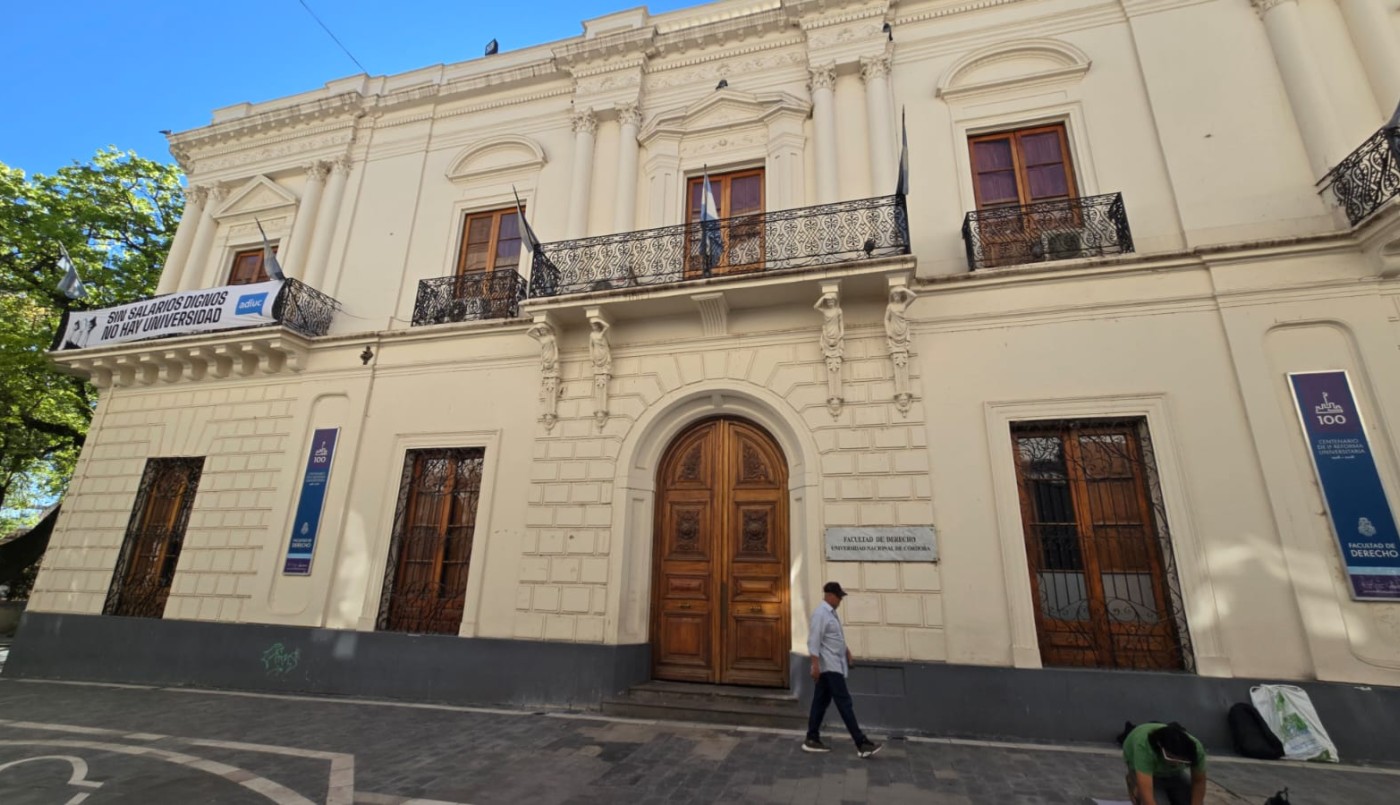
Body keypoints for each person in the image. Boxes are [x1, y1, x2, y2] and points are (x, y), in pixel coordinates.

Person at [803, 581, 882, 758]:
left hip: (832, 665)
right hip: (829, 667)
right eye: (838, 597)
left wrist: (846, 651)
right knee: (844, 703)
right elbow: (814, 640)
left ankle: (812, 738)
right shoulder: (821, 614)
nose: (840, 600)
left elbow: (834, 637)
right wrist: (814, 665)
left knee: (820, 702)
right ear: (830, 595)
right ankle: (861, 743)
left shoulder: (831, 614)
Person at [1122, 722, 1207, 805]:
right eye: (1171, 758)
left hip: (1175, 774)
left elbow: (1198, 781)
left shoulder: (1196, 749)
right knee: (1147, 798)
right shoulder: (1144, 747)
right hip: (1148, 774)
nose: (1177, 764)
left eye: (1182, 761)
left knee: (1189, 800)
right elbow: (1147, 794)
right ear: (1160, 748)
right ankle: (1133, 781)